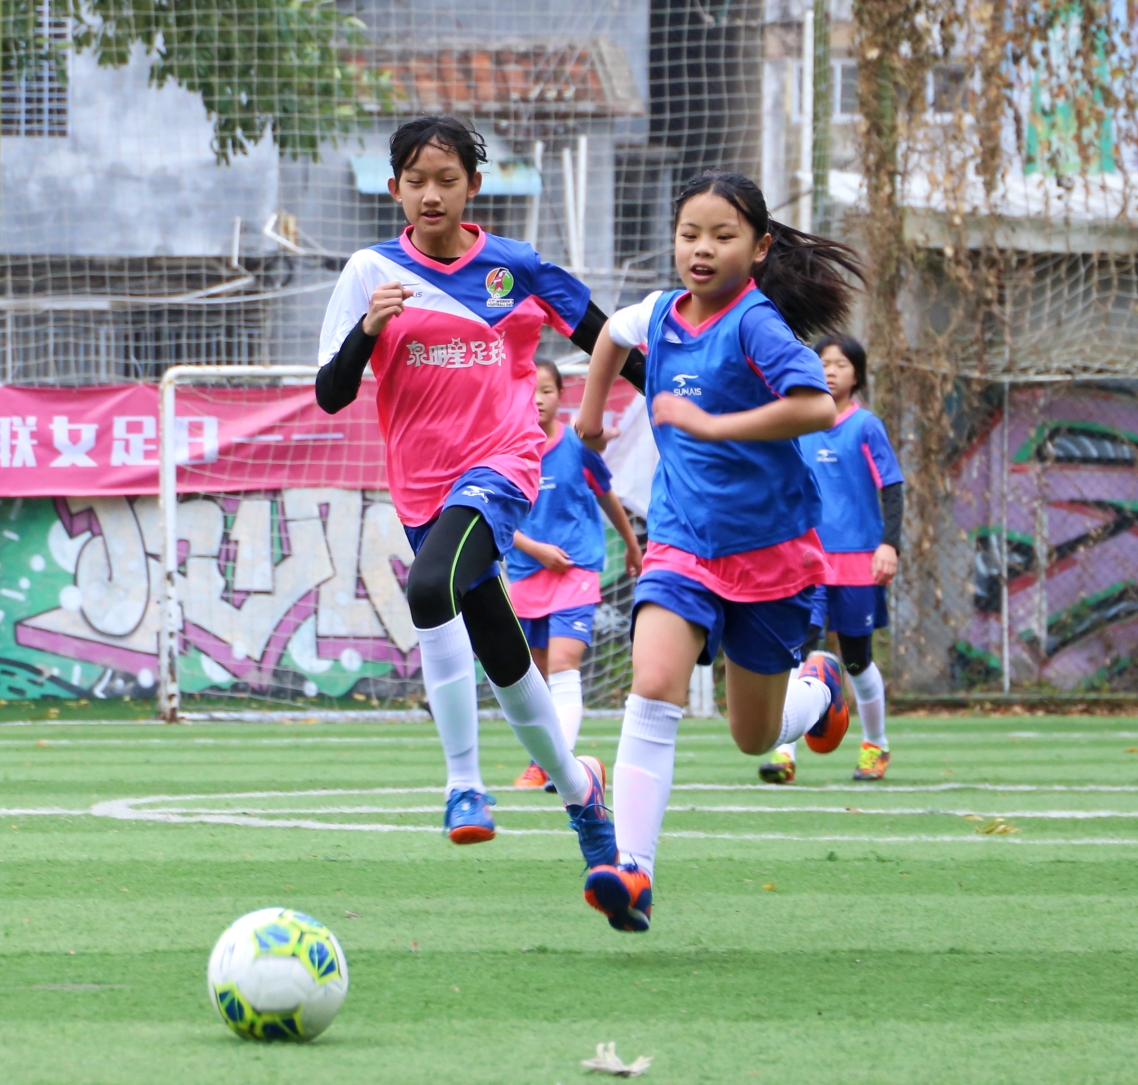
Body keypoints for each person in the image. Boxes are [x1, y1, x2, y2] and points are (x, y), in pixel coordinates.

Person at [314, 115, 620, 895]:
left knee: (427, 589)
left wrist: (687, 408)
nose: (430, 194)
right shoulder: (369, 272)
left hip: (501, 465)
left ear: (473, 187)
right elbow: (330, 393)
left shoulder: (517, 268)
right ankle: (583, 794)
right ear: (393, 189)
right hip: (421, 488)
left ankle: (462, 784)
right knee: (506, 662)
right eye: (415, 181)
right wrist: (367, 330)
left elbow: (605, 336)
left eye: (446, 180)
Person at [572, 170, 865, 932]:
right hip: (681, 540)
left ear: (758, 248)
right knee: (653, 683)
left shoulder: (755, 324)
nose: (701, 249)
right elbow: (608, 333)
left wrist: (709, 425)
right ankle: (632, 870)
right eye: (689, 234)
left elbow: (816, 406)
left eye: (721, 235)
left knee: (752, 735)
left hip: (769, 553)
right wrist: (590, 418)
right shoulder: (658, 313)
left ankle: (818, 688)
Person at [759, 335, 903, 784]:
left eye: (841, 363)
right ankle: (784, 751)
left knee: (856, 659)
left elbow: (892, 487)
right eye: (824, 362)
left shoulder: (867, 427)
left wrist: (889, 544)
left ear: (856, 374)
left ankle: (875, 745)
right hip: (806, 560)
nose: (831, 370)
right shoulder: (798, 424)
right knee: (798, 652)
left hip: (859, 560)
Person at [509, 360, 643, 792]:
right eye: (530, 390)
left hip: (577, 569)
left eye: (546, 390)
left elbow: (606, 495)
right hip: (527, 572)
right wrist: (536, 549)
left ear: (561, 395)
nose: (538, 400)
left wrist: (632, 545)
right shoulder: (506, 451)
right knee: (538, 675)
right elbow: (496, 517)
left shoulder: (578, 446)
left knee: (565, 665)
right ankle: (543, 758)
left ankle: (556, 766)